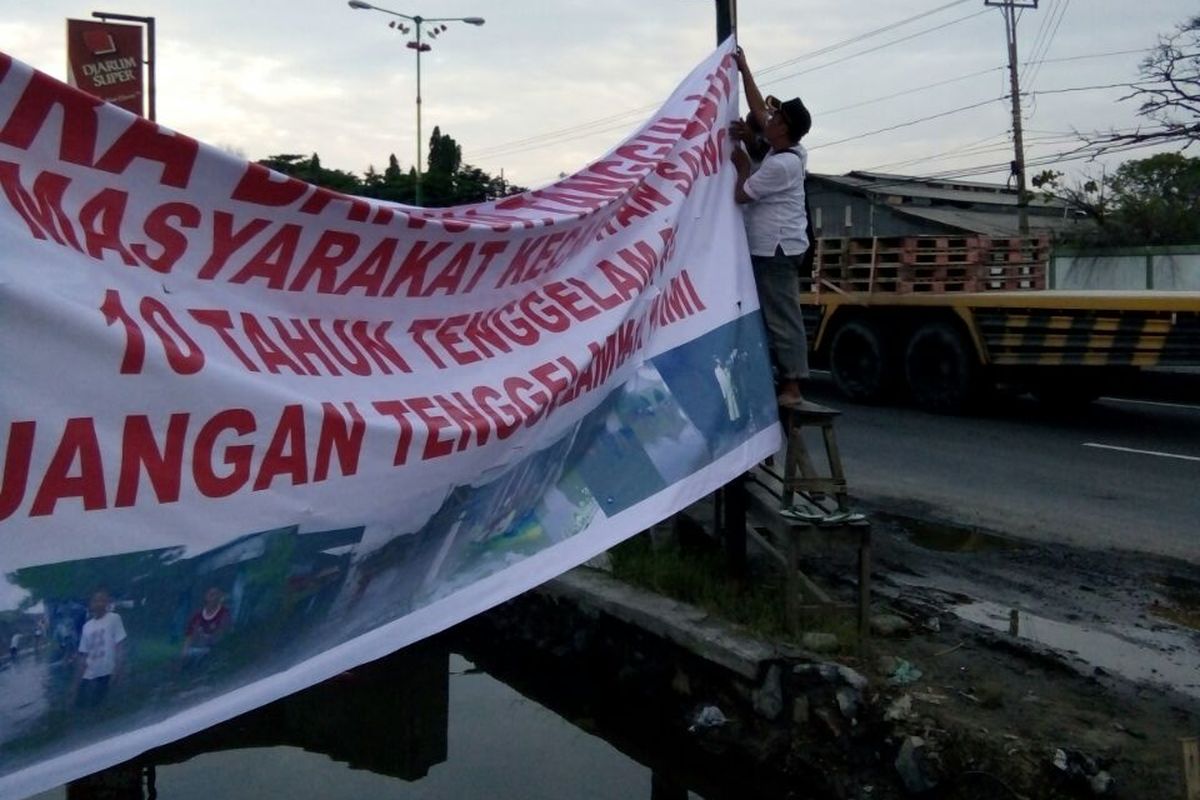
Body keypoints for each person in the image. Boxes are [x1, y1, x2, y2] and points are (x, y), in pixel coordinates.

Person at [730, 47, 813, 407]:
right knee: (771, 315)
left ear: (784, 129)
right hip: (773, 246)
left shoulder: (782, 166)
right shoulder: (785, 151)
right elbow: (757, 107)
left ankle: (792, 385)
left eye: (775, 118)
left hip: (775, 249)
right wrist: (744, 68)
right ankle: (779, 378)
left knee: (782, 317)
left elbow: (742, 195)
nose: (768, 119)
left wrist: (742, 163)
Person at [72, 589, 127, 708]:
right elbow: (83, 655)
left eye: (103, 600)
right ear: (90, 604)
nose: (99, 603)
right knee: (80, 706)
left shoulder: (114, 618)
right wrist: (77, 683)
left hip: (107, 672)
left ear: (107, 602)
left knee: (101, 704)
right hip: (89, 674)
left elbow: (120, 647)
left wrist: (118, 670)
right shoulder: (87, 626)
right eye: (96, 601)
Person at [180, 587, 232, 670]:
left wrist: (210, 638)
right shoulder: (198, 615)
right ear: (206, 597)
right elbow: (189, 633)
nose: (214, 598)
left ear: (220, 597)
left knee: (204, 656)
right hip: (197, 647)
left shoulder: (224, 613)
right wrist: (185, 649)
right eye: (211, 595)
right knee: (188, 656)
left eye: (216, 595)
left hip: (213, 648)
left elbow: (224, 631)